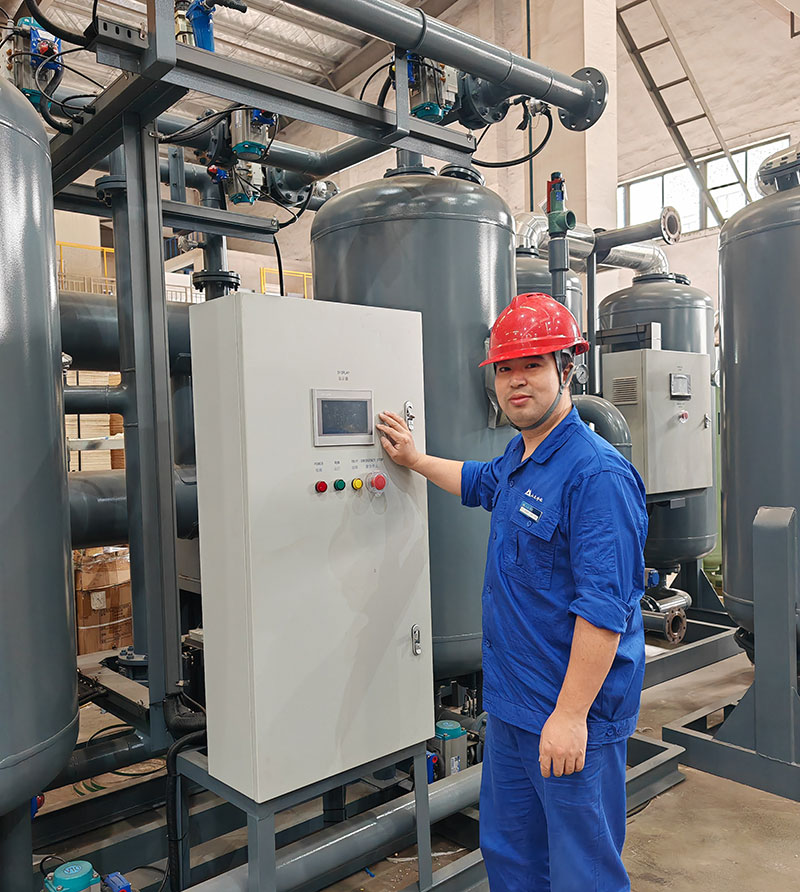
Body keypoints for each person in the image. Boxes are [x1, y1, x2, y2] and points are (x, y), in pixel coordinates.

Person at [377, 292, 648, 892]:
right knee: (511, 857)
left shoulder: (596, 475)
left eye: (532, 365)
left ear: (566, 369)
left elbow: (604, 611)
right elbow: (477, 481)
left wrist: (570, 717)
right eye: (505, 368)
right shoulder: (522, 457)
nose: (516, 381)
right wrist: (415, 459)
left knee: (582, 872)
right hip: (512, 706)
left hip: (570, 713)